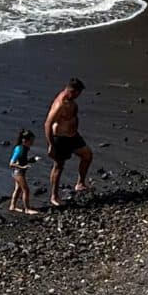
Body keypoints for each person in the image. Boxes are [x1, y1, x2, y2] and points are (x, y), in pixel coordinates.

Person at [43, 77, 91, 206]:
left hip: (73, 136)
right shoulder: (60, 104)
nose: (78, 96)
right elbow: (48, 124)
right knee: (59, 166)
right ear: (72, 91)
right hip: (61, 138)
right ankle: (54, 196)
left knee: (87, 155)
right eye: (78, 93)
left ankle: (80, 183)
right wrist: (51, 145)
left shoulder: (71, 101)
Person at [6, 129, 36, 213]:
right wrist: (22, 167)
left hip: (19, 172)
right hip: (18, 173)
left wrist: (32, 160)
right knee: (26, 190)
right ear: (24, 140)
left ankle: (12, 206)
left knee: (18, 189)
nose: (32, 143)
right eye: (31, 141)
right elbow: (11, 163)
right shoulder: (19, 149)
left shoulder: (25, 148)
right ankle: (27, 209)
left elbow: (23, 160)